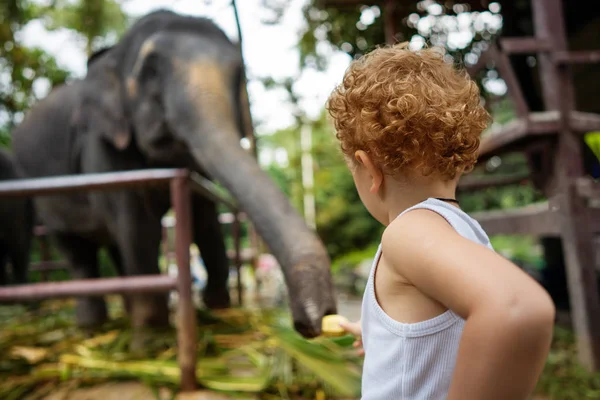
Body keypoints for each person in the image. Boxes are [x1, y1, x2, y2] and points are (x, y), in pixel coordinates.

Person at [327, 42, 555, 400]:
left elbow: (517, 307)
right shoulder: (459, 230)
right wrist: (376, 331)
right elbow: (438, 328)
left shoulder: (407, 232)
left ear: (368, 169)